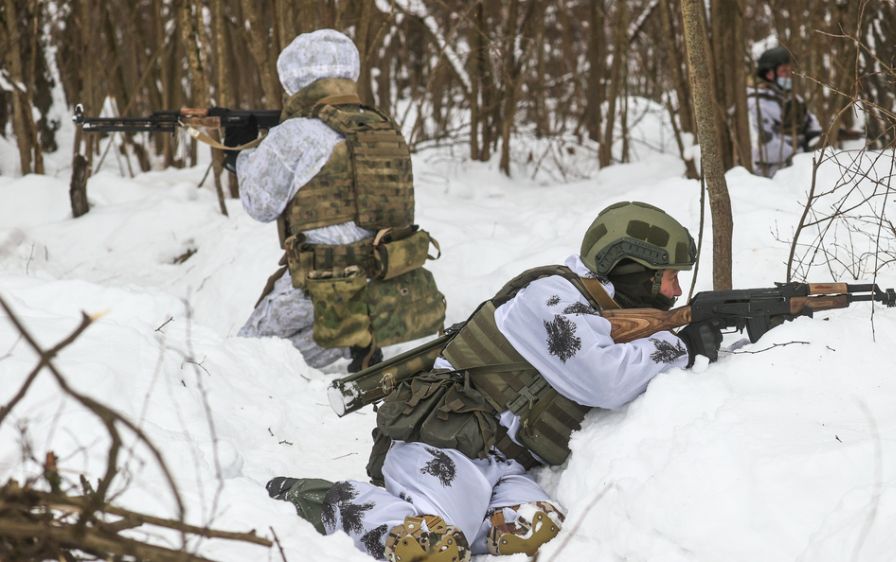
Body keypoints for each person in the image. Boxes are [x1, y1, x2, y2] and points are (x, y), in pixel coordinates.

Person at [264, 202, 724, 561]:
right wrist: (683, 346)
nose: (675, 292)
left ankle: (459, 524)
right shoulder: (549, 299)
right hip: (442, 450)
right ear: (629, 267)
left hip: (506, 467)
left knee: (537, 535)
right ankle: (328, 499)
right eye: (667, 278)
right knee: (428, 547)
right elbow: (604, 379)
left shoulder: (597, 311)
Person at [225, 29, 446, 373]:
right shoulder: (382, 125)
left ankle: (344, 342)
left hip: (322, 288)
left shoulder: (295, 134)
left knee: (239, 366)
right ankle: (357, 340)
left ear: (294, 78)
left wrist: (237, 157)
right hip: (389, 285)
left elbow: (259, 205)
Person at [746, 45, 822, 178]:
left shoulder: (795, 99)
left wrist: (813, 138)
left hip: (799, 168)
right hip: (769, 174)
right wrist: (799, 151)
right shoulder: (757, 103)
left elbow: (813, 125)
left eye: (790, 70)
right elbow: (765, 146)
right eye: (784, 71)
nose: (789, 75)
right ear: (769, 74)